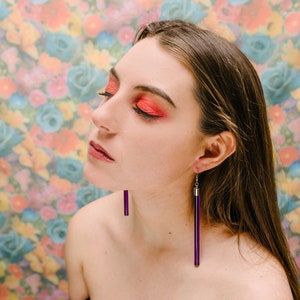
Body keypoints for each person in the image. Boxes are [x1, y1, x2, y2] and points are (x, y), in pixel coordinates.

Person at [65, 20, 300, 299]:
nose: (99, 116)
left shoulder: (254, 291)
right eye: (109, 91)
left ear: (211, 151)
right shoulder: (87, 230)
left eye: (145, 109)